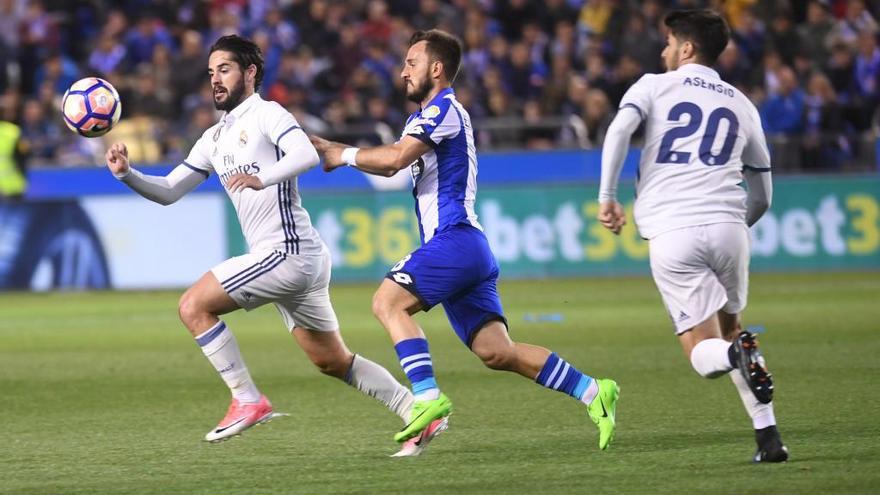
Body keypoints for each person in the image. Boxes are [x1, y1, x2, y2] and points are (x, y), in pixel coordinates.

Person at [104, 35, 424, 454]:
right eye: (211, 72)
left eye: (224, 69)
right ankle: (416, 411)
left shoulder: (268, 114)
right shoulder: (213, 138)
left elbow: (306, 155)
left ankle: (247, 399)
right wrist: (128, 174)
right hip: (293, 257)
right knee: (332, 361)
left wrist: (263, 177)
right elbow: (168, 190)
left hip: (286, 252)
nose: (215, 80)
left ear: (250, 72)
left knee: (193, 306)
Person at [311, 29, 619, 451]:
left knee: (387, 302)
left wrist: (340, 153)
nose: (402, 72)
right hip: (467, 248)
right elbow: (394, 162)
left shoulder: (444, 110)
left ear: (437, 69)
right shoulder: (425, 117)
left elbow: (394, 162)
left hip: (455, 239)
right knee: (497, 351)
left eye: (411, 63)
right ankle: (593, 391)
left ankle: (427, 398)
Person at [596, 10, 788, 462]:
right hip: (729, 225)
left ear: (686, 48)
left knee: (706, 353)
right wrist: (738, 225)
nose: (663, 50)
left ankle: (739, 361)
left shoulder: (653, 85)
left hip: (673, 229)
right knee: (734, 332)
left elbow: (620, 129)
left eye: (668, 42)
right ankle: (770, 439)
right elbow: (762, 189)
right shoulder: (742, 103)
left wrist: (608, 195)